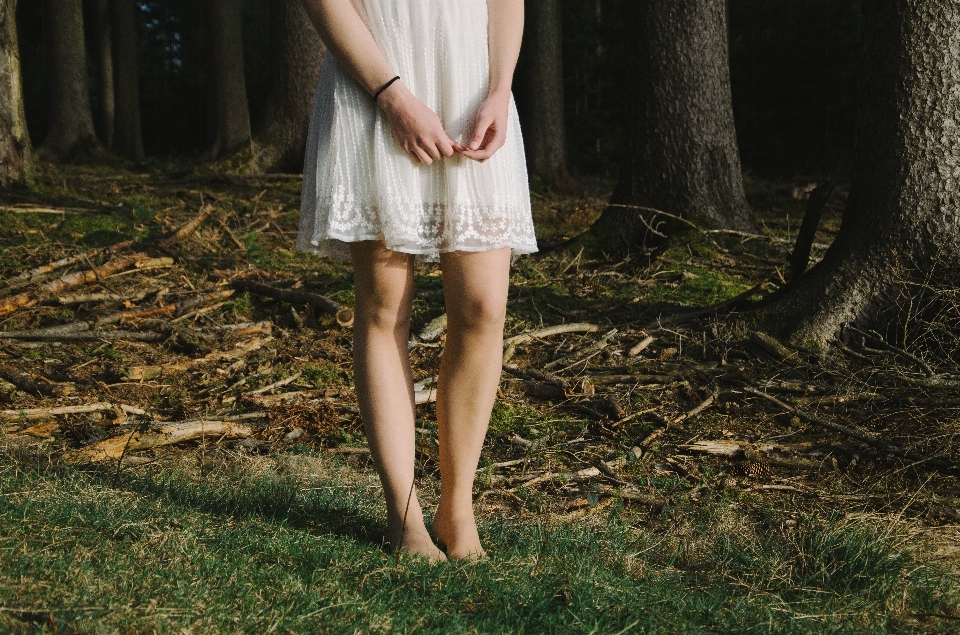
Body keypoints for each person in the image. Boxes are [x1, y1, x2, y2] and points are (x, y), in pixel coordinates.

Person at [297, 0, 537, 562]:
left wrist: (500, 87)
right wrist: (393, 97)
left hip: (471, 85)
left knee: (483, 308)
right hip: (378, 82)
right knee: (385, 307)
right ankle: (403, 517)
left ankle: (458, 509)